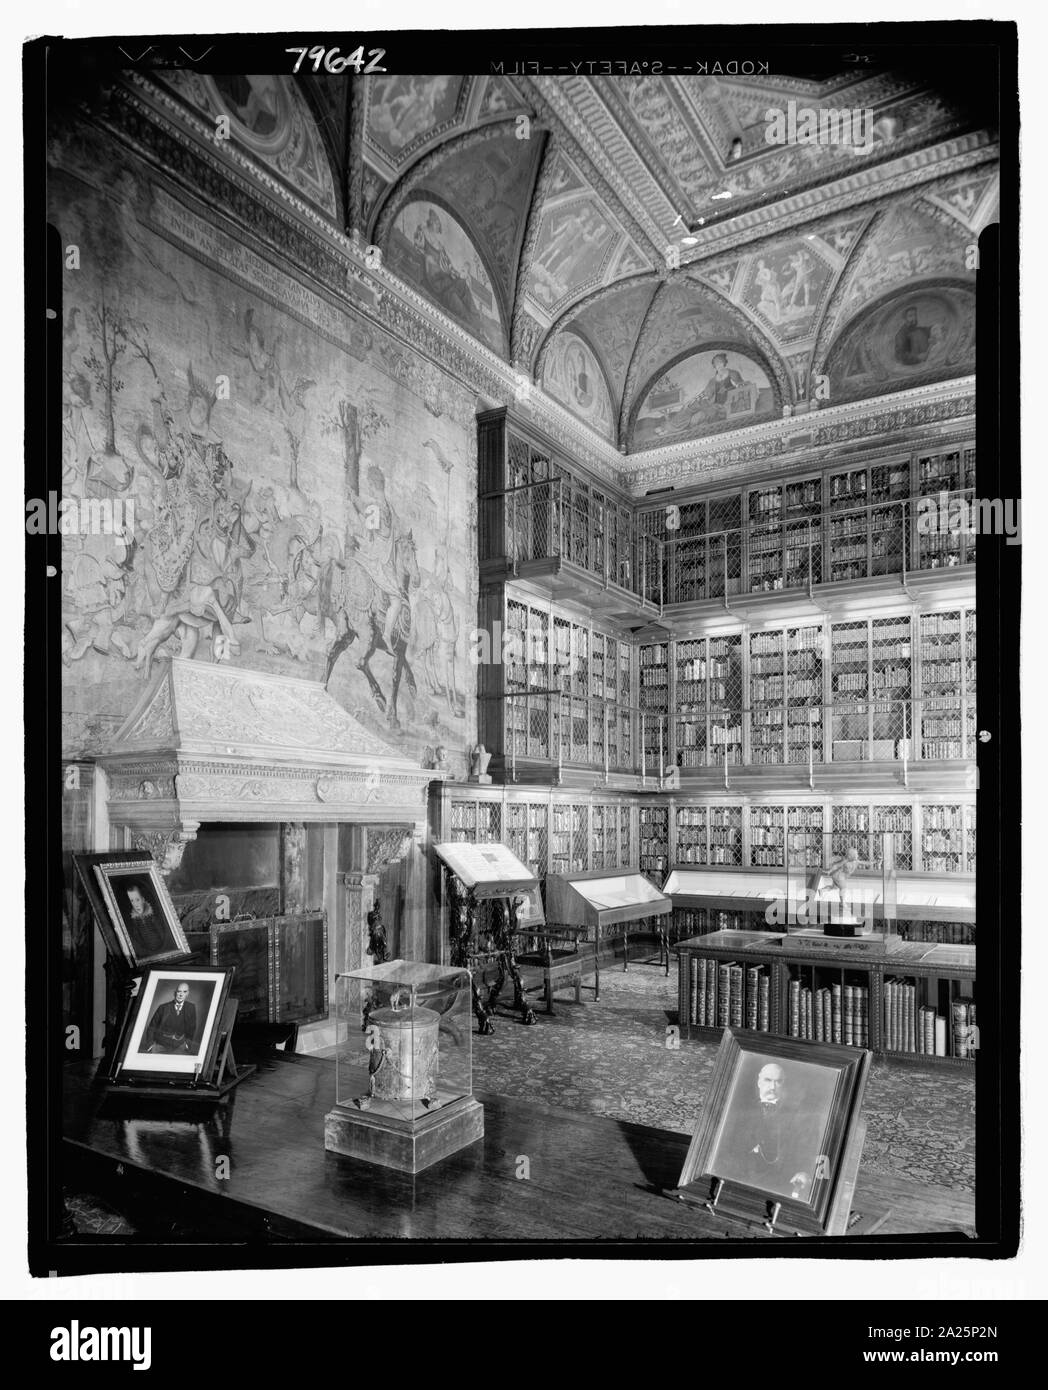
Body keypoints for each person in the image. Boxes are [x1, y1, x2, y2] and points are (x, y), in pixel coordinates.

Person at [713, 1061, 819, 1200]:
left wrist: (804, 1171)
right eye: (768, 1080)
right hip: (735, 1178)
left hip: (776, 1183)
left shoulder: (796, 1116)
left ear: (783, 1085)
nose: (772, 1087)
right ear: (759, 1082)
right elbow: (722, 1147)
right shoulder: (738, 1110)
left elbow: (805, 1150)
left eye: (778, 1082)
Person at [143, 981, 198, 1055]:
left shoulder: (191, 1007)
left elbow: (192, 1027)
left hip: (180, 1046)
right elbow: (152, 1027)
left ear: (187, 993)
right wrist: (150, 1045)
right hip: (160, 1045)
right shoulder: (163, 1007)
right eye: (179, 991)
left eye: (184, 992)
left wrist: (187, 1044)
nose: (181, 994)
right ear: (175, 992)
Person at [122, 881, 169, 960]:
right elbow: (136, 936)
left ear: (143, 900)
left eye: (137, 900)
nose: (135, 904)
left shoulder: (151, 916)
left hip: (160, 946)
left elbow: (161, 930)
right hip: (147, 951)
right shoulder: (134, 919)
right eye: (132, 901)